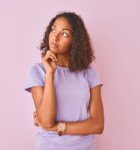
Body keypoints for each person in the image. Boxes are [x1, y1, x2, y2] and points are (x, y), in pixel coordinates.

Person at [24, 11, 104, 150]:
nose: (55, 37)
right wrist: (50, 74)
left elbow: (97, 125)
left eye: (64, 34)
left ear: (75, 41)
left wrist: (57, 127)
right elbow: (47, 120)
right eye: (53, 30)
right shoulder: (38, 71)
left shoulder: (89, 74)